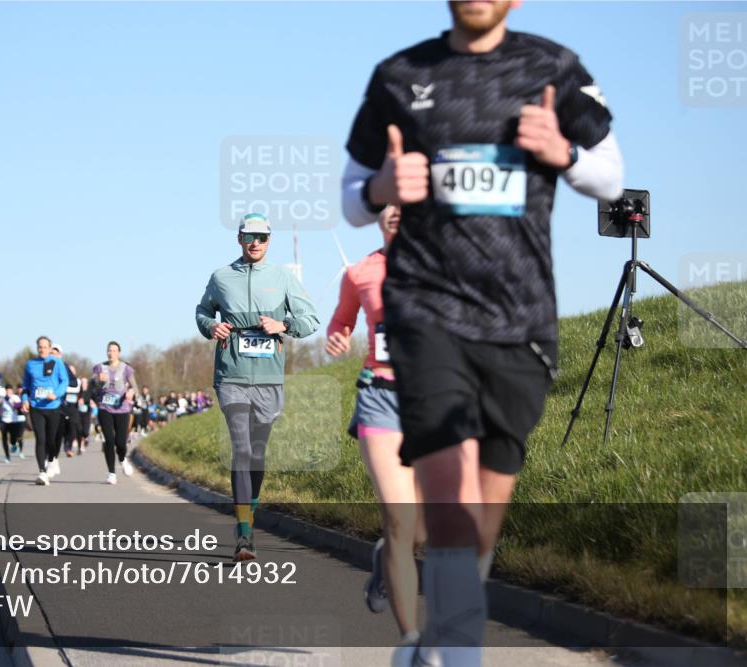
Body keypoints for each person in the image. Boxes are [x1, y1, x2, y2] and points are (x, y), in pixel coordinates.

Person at [342, 2, 624, 663]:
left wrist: (564, 152)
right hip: (427, 312)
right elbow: (351, 191)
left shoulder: (552, 67)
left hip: (520, 318)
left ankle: (436, 631)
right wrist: (383, 184)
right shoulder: (399, 74)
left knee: (483, 516)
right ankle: (456, 652)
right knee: (446, 490)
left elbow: (610, 173)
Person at [195, 212, 319, 560]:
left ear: (269, 241)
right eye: (249, 236)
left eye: (262, 237)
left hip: (268, 378)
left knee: (258, 452)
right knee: (242, 449)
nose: (255, 243)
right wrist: (211, 327)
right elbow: (203, 311)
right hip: (231, 375)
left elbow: (311, 320)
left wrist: (283, 324)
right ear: (239, 238)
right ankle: (245, 535)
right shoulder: (221, 277)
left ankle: (249, 511)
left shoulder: (282, 277)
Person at [326, 204, 424, 640]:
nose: (397, 209)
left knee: (420, 529)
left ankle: (387, 560)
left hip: (435, 401)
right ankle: (412, 643)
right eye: (388, 201)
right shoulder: (360, 272)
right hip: (380, 397)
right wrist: (338, 337)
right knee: (402, 519)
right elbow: (341, 320)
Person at [21, 336, 69, 485]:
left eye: (45, 347)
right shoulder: (30, 364)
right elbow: (26, 386)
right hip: (36, 407)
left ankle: (52, 460)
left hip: (53, 407)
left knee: (52, 441)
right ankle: (42, 472)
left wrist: (55, 394)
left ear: (49, 348)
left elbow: (65, 381)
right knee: (40, 439)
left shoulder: (57, 362)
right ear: (37, 348)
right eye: (39, 347)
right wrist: (24, 400)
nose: (42, 349)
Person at [91, 341, 138, 485]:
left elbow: (135, 386)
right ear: (107, 352)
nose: (111, 353)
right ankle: (111, 473)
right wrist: (98, 380)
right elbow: (91, 384)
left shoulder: (126, 368)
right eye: (109, 350)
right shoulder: (100, 368)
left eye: (114, 350)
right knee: (109, 441)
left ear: (119, 353)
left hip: (122, 409)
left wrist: (131, 391)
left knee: (121, 442)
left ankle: (123, 460)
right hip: (105, 408)